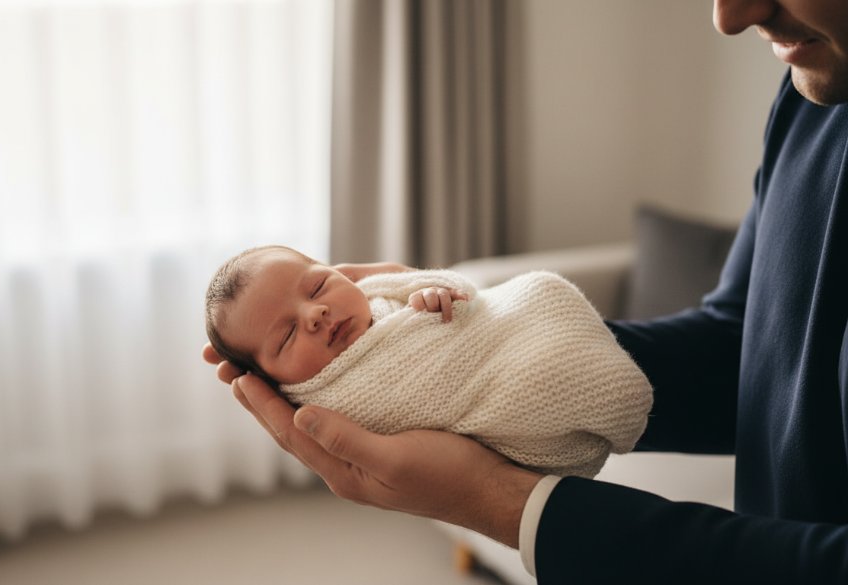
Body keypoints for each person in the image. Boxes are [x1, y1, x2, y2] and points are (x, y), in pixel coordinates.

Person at [203, 0, 848, 582]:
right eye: (285, 334)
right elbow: (752, 346)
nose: (729, 17)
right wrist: (537, 356)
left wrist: (504, 501)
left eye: (316, 286)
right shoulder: (810, 95)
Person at [204, 245, 652, 478]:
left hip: (505, 328)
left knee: (541, 287)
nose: (315, 314)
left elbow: (464, 293)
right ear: (271, 379)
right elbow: (411, 401)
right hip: (504, 388)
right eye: (286, 335)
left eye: (318, 287)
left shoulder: (377, 293)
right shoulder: (327, 401)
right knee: (538, 379)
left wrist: (431, 294)